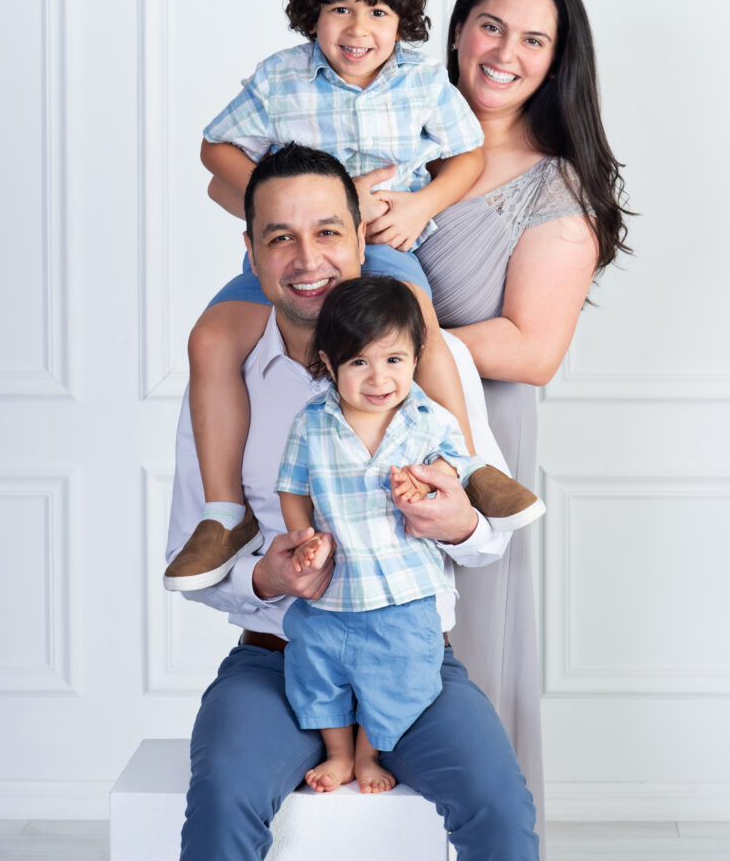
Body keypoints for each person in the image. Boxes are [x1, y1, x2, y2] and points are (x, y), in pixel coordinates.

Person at [165, 143, 540, 860]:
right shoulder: (227, 376)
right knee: (222, 800)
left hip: (411, 658)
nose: (308, 260)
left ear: (362, 237)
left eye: (328, 232)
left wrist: (456, 521)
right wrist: (267, 577)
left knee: (498, 807)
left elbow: (489, 534)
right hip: (276, 659)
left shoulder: (432, 361)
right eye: (281, 237)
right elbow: (194, 554)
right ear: (251, 251)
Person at [166, 0, 539, 591]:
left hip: (378, 251)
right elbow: (213, 151)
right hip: (292, 255)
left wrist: (421, 207)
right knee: (210, 338)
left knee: (417, 325)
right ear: (312, 15)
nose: (357, 27)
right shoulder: (281, 78)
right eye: (339, 8)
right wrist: (284, 204)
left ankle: (472, 466)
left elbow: (467, 155)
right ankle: (224, 515)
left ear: (403, 21)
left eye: (377, 10)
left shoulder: (420, 85)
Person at [395, 0, 630, 853]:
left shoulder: (553, 185)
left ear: (556, 60)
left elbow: (533, 350)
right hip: (359, 426)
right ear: (457, 30)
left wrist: (391, 343)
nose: (506, 52)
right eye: (491, 25)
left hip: (474, 437)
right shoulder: (398, 135)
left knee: (469, 659)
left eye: (534, 39)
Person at [277, 276, 478, 794]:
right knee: (315, 671)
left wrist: (429, 486)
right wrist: (303, 537)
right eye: (358, 362)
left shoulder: (428, 421)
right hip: (332, 592)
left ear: (415, 358)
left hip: (401, 592)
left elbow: (457, 470)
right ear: (329, 362)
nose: (378, 377)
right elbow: (292, 485)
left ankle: (369, 753)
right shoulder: (313, 424)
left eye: (393, 360)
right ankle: (339, 753)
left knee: (398, 678)